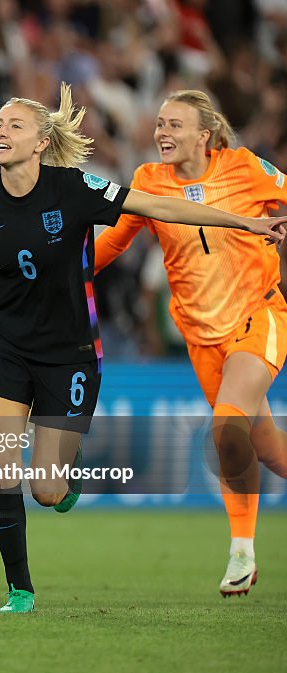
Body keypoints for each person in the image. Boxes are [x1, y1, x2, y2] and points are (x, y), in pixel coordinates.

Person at [0, 84, 287, 613]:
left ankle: (62, 472)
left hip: (69, 352)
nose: (0, 132)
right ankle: (20, 590)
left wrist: (246, 222)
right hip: (5, 343)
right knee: (2, 470)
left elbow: (158, 207)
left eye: (14, 126)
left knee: (47, 491)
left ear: (41, 142)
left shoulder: (74, 188)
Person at [94, 90, 287, 597]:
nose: (162, 132)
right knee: (269, 451)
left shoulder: (244, 168)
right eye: (160, 123)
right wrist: (57, 273)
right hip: (201, 337)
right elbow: (114, 241)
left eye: (175, 125)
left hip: (258, 314)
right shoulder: (148, 181)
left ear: (204, 135)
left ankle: (241, 552)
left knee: (227, 427)